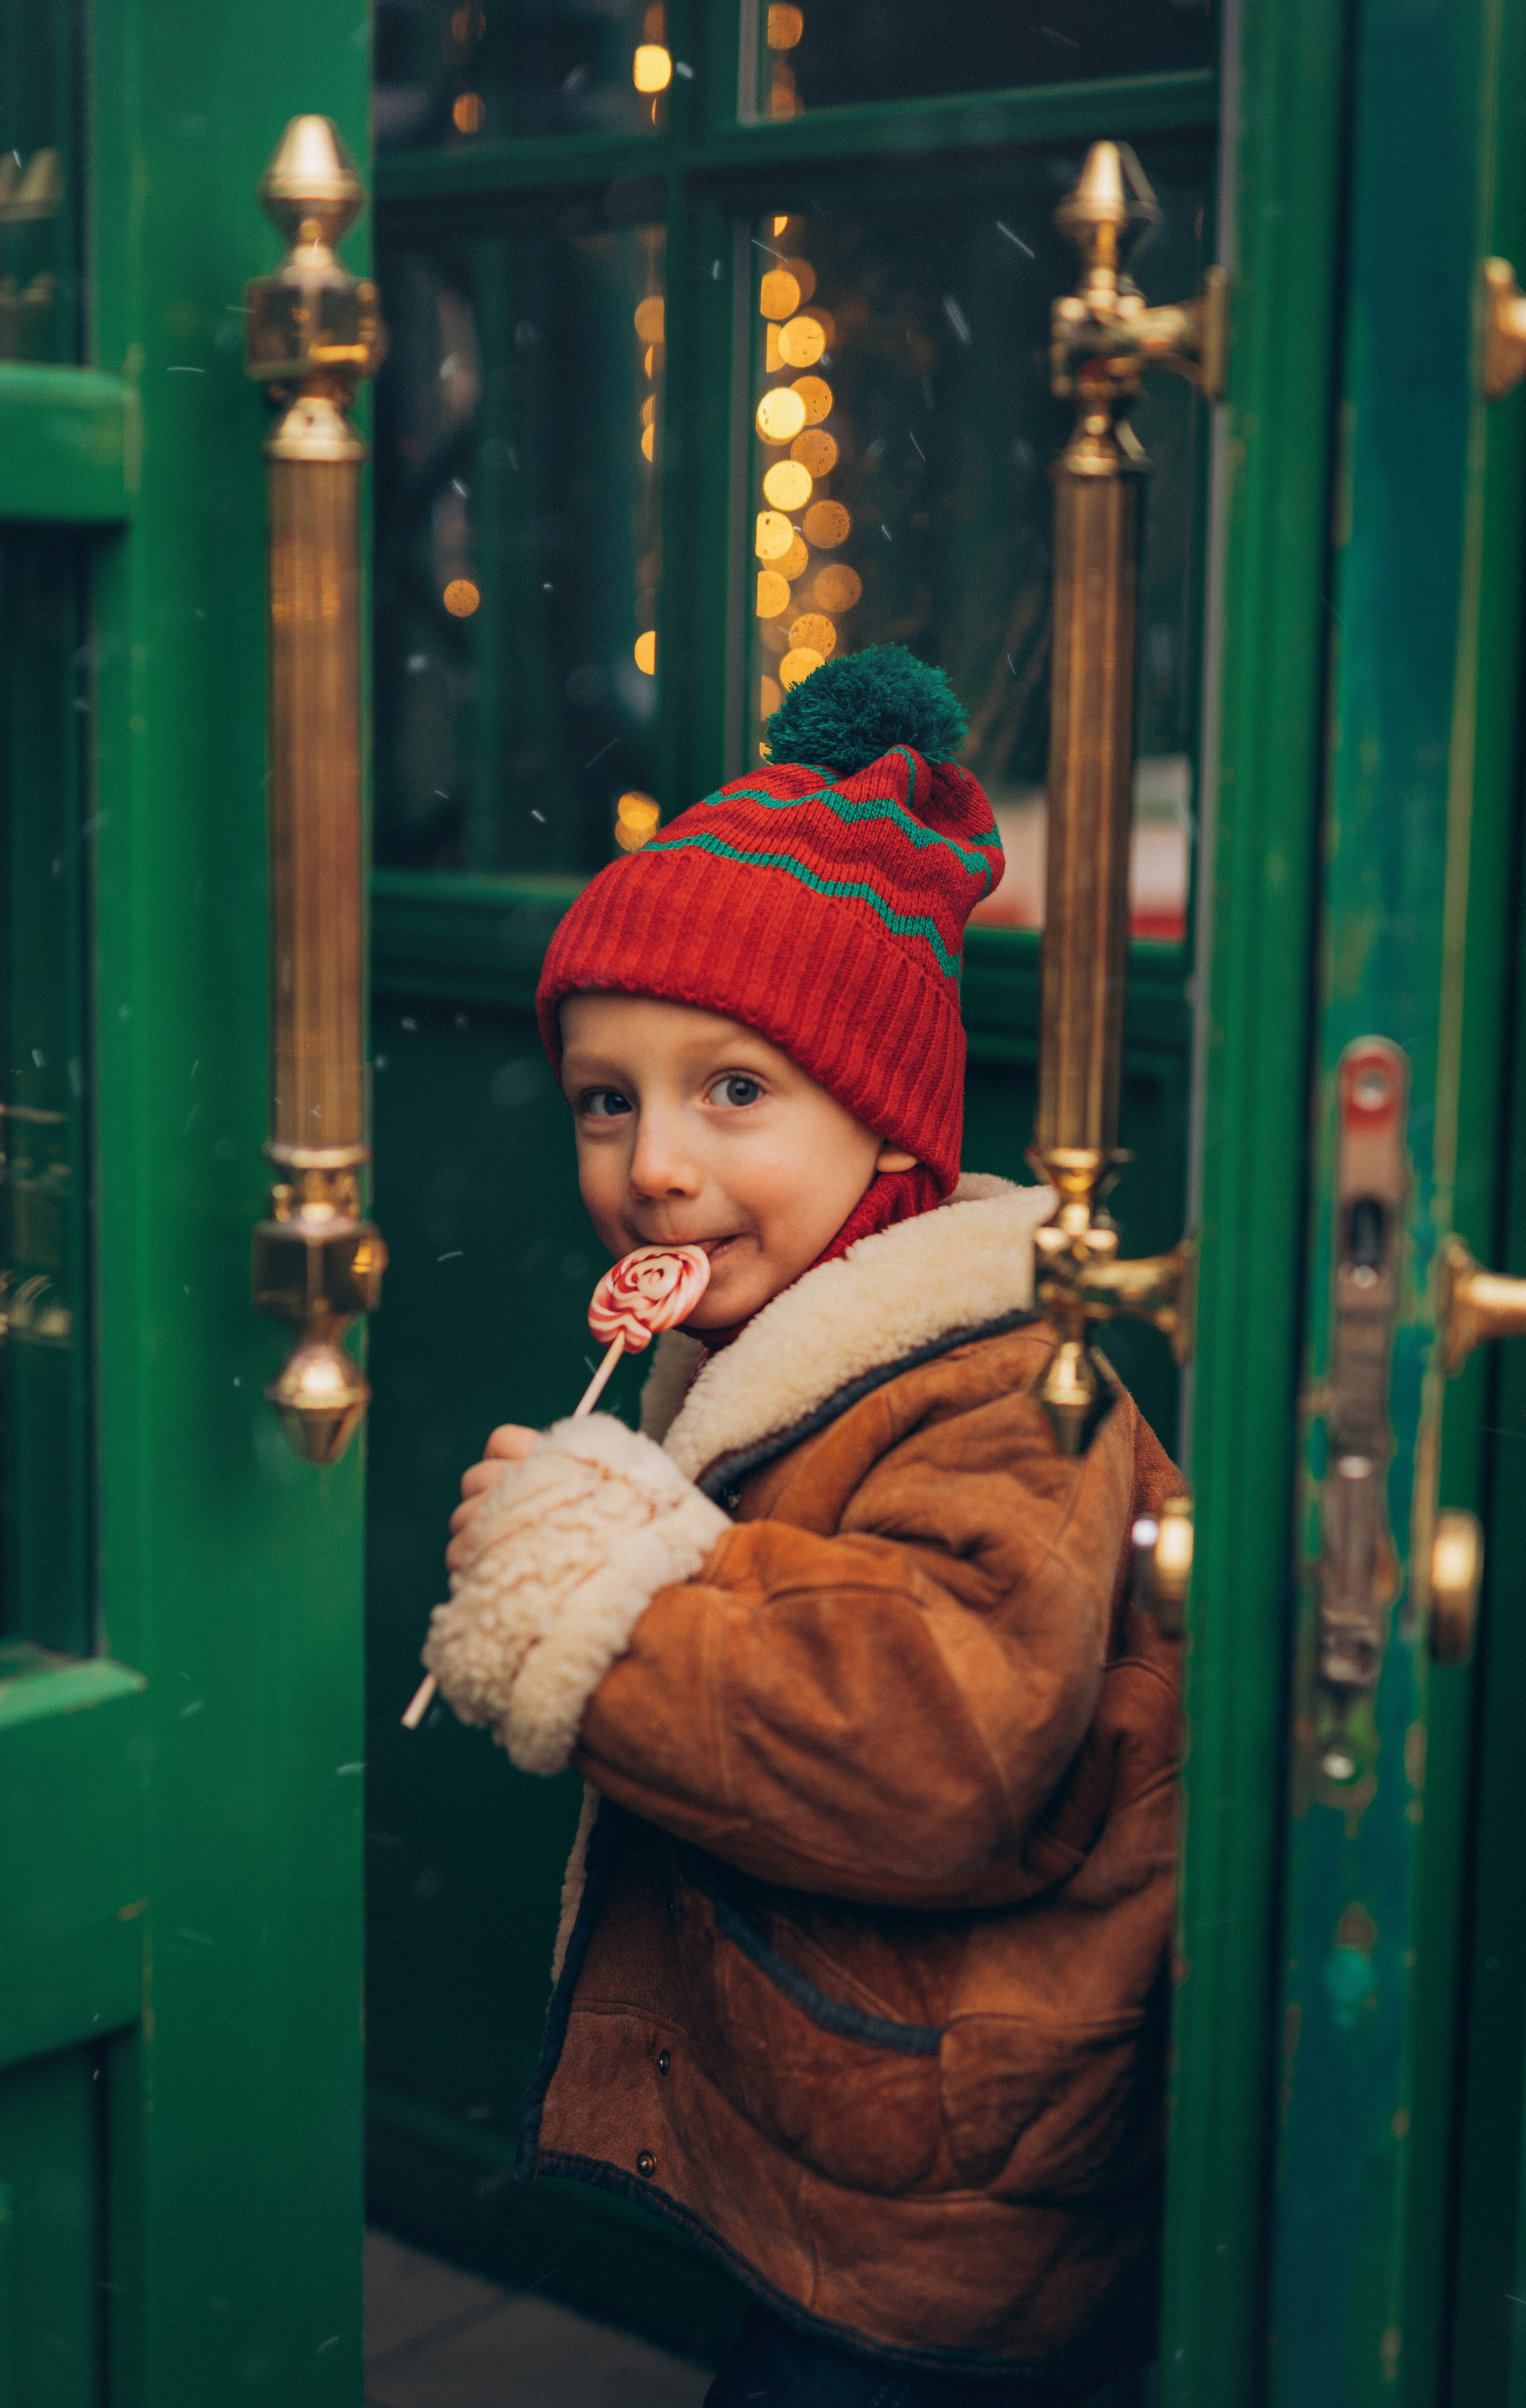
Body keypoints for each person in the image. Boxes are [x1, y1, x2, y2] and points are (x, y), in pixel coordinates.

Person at [421, 646, 1181, 2406]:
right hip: (860, 2136)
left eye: (733, 1090)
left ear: (887, 1121)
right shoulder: (771, 1348)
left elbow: (930, 1746)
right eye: (608, 1099)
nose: (653, 1163)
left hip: (959, 2185)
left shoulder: (995, 1386)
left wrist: (589, 1595)